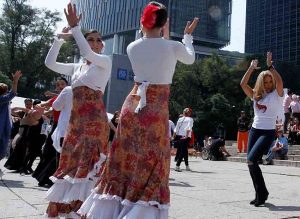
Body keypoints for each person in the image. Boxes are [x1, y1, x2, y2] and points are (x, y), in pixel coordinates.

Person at [78, 2, 198, 218]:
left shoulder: (132, 46)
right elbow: (189, 58)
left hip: (132, 105)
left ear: (143, 21)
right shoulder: (173, 46)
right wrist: (187, 37)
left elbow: (154, 48)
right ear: (163, 23)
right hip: (155, 109)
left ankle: (115, 207)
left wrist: (162, 34)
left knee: (126, 157)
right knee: (153, 159)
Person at [44, 3, 112, 217]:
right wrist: (59, 39)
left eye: (98, 40)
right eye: (90, 39)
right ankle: (67, 206)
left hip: (94, 122)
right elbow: (50, 63)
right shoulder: (76, 67)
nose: (94, 42)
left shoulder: (104, 62)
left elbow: (85, 51)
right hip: (76, 123)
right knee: (72, 163)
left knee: (89, 164)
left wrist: (76, 29)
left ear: (102, 46)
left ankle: (83, 210)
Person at [240, 52, 283, 207]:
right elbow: (243, 84)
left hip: (268, 132)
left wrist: (270, 66)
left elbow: (280, 82)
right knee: (250, 163)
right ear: (261, 82)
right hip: (255, 130)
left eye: (270, 81)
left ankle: (262, 193)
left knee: (252, 159)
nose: (268, 84)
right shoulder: (255, 95)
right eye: (265, 82)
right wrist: (251, 68)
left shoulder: (277, 95)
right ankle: (260, 193)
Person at [0, 70, 22, 177]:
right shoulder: (1, 99)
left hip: (4, 128)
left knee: (3, 150)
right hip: (1, 129)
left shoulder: (4, 101)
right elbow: (12, 94)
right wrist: (15, 81)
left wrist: (13, 116)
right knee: (2, 150)